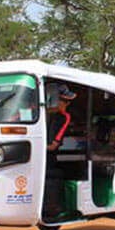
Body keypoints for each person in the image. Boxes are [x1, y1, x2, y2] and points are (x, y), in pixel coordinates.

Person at [43, 84, 77, 218]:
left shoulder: (64, 118)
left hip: (48, 157)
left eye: (67, 102)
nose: (66, 104)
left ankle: (52, 208)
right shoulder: (39, 113)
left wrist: (38, 148)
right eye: (64, 101)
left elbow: (53, 146)